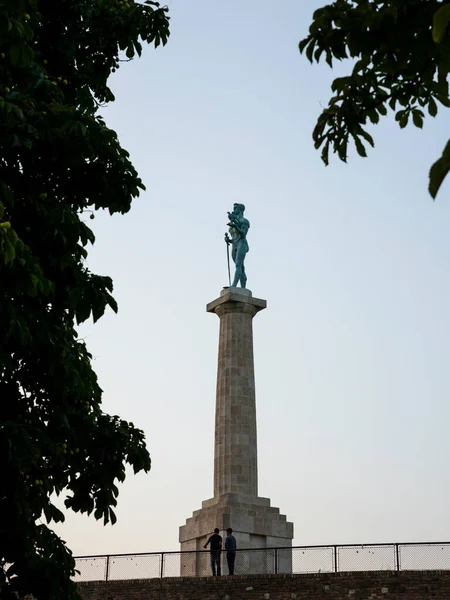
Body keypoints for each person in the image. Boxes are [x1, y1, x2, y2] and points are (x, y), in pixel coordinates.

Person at [225, 203, 250, 288]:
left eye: (236, 208)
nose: (234, 210)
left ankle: (234, 285)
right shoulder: (234, 221)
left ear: (240, 210)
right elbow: (234, 237)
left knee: (238, 265)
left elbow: (243, 234)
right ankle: (243, 288)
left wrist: (235, 226)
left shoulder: (244, 221)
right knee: (241, 267)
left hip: (242, 243)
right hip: (234, 244)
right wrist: (229, 240)